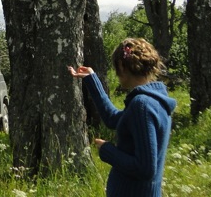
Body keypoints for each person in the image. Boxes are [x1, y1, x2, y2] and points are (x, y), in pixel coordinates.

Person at [68, 38, 177, 197]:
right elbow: (113, 119)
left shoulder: (142, 105)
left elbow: (144, 169)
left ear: (121, 66)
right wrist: (91, 79)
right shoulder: (154, 100)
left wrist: (107, 151)